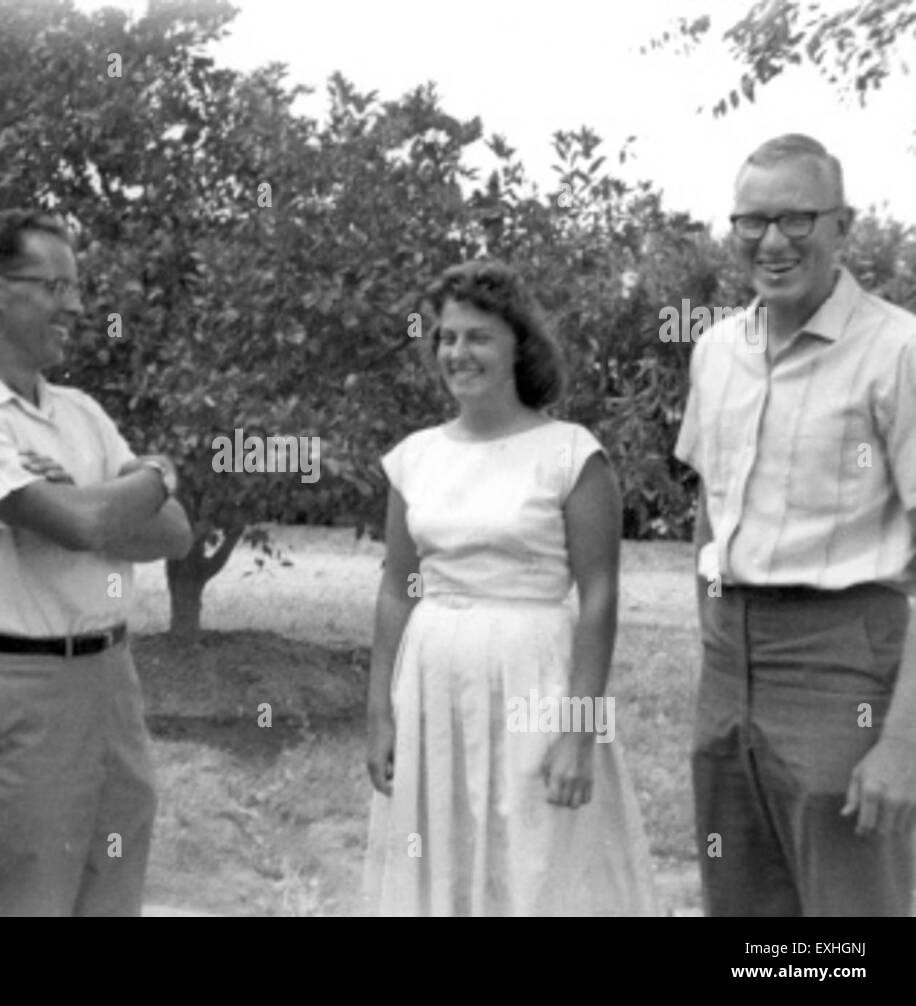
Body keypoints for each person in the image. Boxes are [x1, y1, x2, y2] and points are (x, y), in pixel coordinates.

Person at [0, 208, 193, 917]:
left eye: (77, 287)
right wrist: (154, 472)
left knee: (111, 897)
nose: (76, 305)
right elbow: (85, 523)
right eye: (55, 285)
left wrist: (88, 501)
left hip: (112, 682)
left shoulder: (81, 413)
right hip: (17, 687)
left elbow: (172, 535)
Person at [363, 260, 655, 916]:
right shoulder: (415, 457)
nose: (457, 353)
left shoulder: (571, 454)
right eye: (446, 337)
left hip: (536, 682)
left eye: (477, 337)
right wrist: (380, 710)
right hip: (433, 679)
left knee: (536, 862)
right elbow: (396, 587)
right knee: (442, 859)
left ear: (518, 347)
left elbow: (600, 595)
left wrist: (580, 731)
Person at [675, 134, 916, 917]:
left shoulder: (898, 352)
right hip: (731, 662)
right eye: (752, 221)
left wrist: (904, 744)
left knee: (848, 922)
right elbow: (710, 513)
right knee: (746, 912)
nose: (772, 242)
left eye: (796, 219)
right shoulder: (715, 351)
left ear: (842, 226)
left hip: (844, 661)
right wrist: (716, 635)